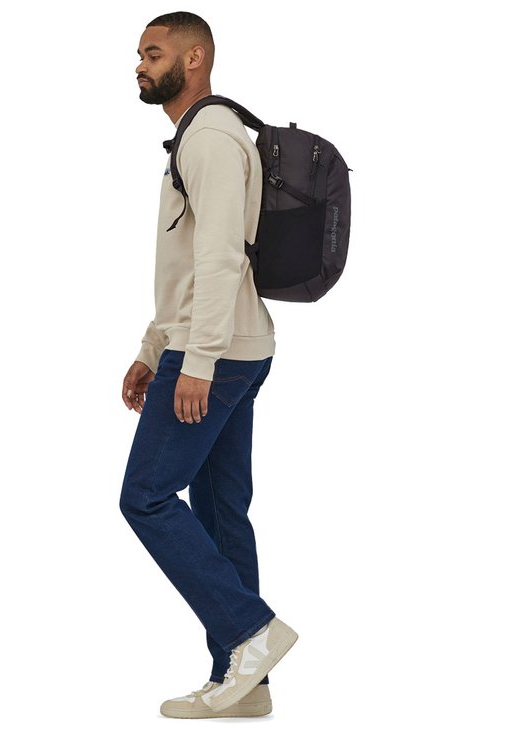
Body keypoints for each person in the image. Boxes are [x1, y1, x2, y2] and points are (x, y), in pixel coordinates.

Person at [119, 11, 298, 720]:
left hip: (216, 355)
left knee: (146, 497)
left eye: (153, 52)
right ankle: (243, 681)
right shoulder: (198, 136)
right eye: (139, 54)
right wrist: (152, 348)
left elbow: (221, 257)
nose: (139, 64)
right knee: (220, 508)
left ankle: (251, 631)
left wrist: (195, 359)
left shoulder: (212, 138)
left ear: (193, 60)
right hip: (225, 349)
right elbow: (187, 263)